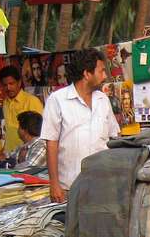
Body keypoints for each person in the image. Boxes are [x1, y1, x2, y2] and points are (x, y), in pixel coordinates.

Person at [41, 49, 120, 204]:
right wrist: (54, 184)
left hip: (102, 185)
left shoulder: (103, 100)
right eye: (102, 71)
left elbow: (114, 138)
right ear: (87, 74)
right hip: (70, 186)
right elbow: (51, 143)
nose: (105, 76)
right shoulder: (57, 100)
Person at [0, 65, 43, 154]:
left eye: (11, 83)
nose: (8, 88)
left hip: (26, 154)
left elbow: (39, 132)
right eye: (5, 85)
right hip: (10, 154)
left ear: (19, 83)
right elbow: (9, 131)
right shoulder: (5, 102)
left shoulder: (32, 101)